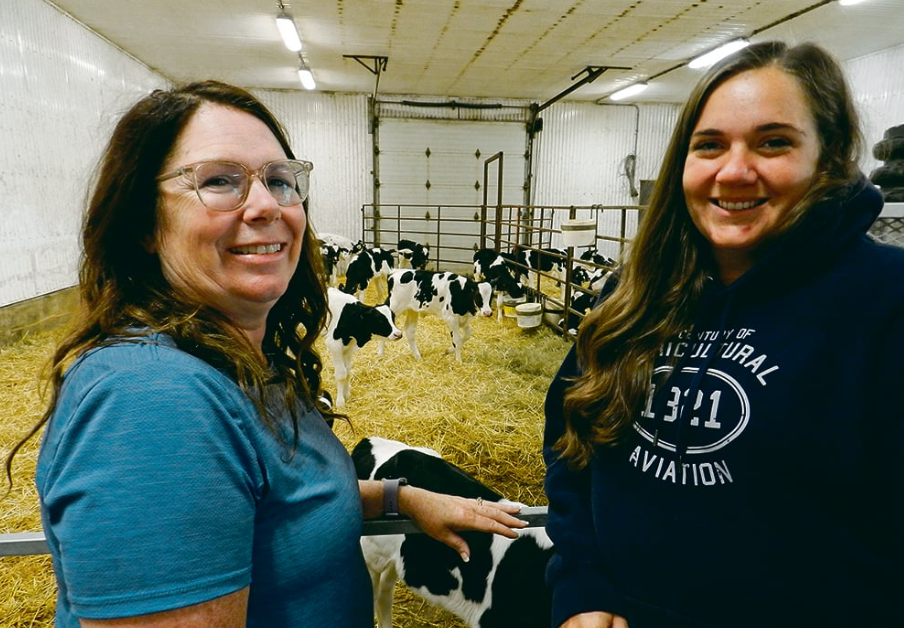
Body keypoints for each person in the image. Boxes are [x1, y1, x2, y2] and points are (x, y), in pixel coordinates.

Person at [5, 80, 525, 628]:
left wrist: (400, 498)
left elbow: (271, 506)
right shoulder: (151, 401)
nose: (264, 205)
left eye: (280, 180)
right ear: (144, 225)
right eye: (219, 181)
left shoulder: (236, 363)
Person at [543, 40, 904, 628]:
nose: (734, 171)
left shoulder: (886, 305)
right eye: (709, 145)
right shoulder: (633, 296)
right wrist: (581, 584)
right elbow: (570, 441)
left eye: (774, 142)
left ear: (831, 156)